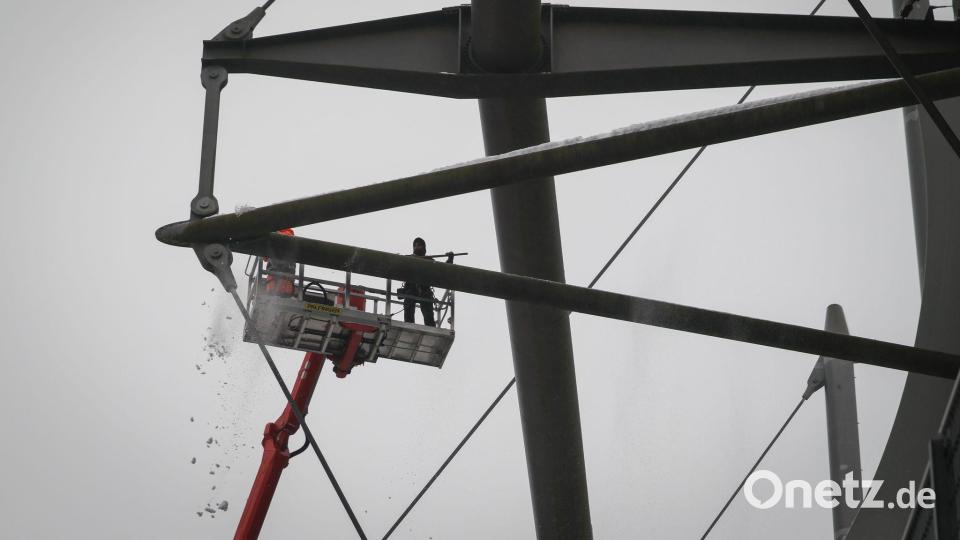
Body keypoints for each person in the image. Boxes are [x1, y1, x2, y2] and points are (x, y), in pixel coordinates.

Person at [401, 237, 453, 326]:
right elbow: (398, 267)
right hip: (411, 289)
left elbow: (443, 271)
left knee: (428, 315)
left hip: (425, 290)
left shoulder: (430, 261)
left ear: (424, 248)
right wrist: (397, 259)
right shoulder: (409, 259)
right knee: (408, 308)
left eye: (419, 245)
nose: (417, 247)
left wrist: (450, 260)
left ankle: (430, 326)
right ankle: (409, 326)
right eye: (415, 245)